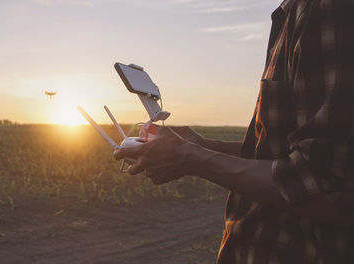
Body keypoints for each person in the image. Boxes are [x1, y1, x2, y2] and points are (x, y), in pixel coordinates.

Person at [113, 0, 354, 262]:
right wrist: (203, 145)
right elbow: (278, 153)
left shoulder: (327, 8)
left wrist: (191, 158)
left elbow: (323, 179)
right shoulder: (295, 12)